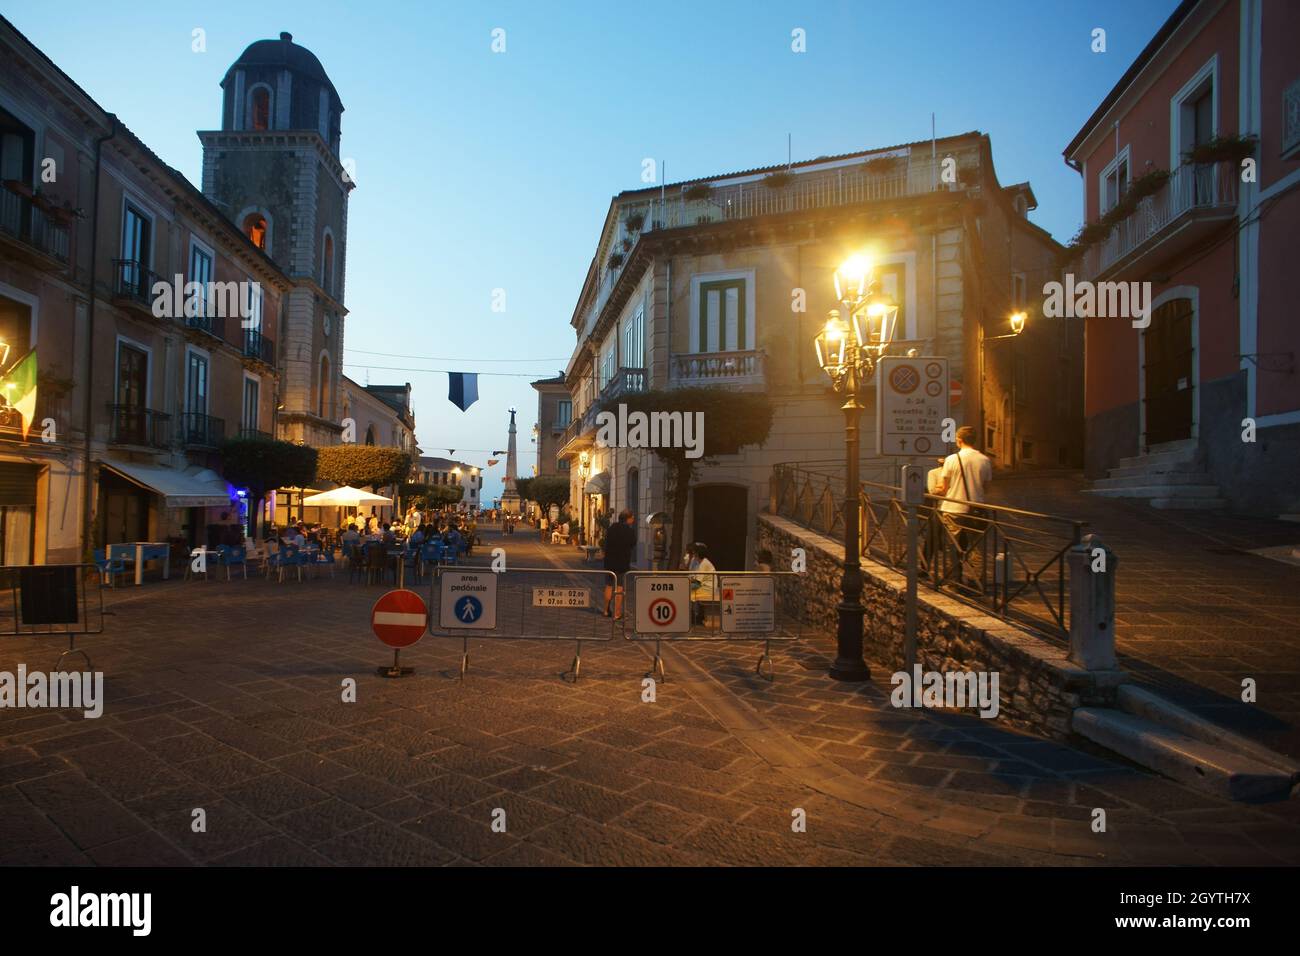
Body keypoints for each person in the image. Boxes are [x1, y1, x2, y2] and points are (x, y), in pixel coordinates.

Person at [934, 425, 993, 584]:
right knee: (976, 548)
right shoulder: (985, 460)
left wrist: (935, 490)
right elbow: (986, 488)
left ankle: (955, 581)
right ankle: (976, 581)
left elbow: (943, 488)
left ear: (959, 441)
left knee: (952, 546)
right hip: (976, 509)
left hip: (953, 509)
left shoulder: (951, 460)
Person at [601, 509, 636, 617]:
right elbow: (632, 544)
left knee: (608, 585)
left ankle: (606, 611)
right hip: (622, 562)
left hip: (610, 561)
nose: (633, 519)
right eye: (632, 517)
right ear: (628, 518)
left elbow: (606, 542)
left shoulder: (612, 528)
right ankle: (617, 613)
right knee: (619, 587)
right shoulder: (629, 531)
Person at [687, 543, 717, 625]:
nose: (692, 554)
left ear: (698, 553)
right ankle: (693, 616)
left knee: (687, 594)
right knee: (687, 592)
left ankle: (694, 617)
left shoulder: (704, 563)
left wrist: (685, 588)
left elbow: (696, 584)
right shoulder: (697, 562)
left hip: (708, 589)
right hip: (703, 587)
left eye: (693, 552)